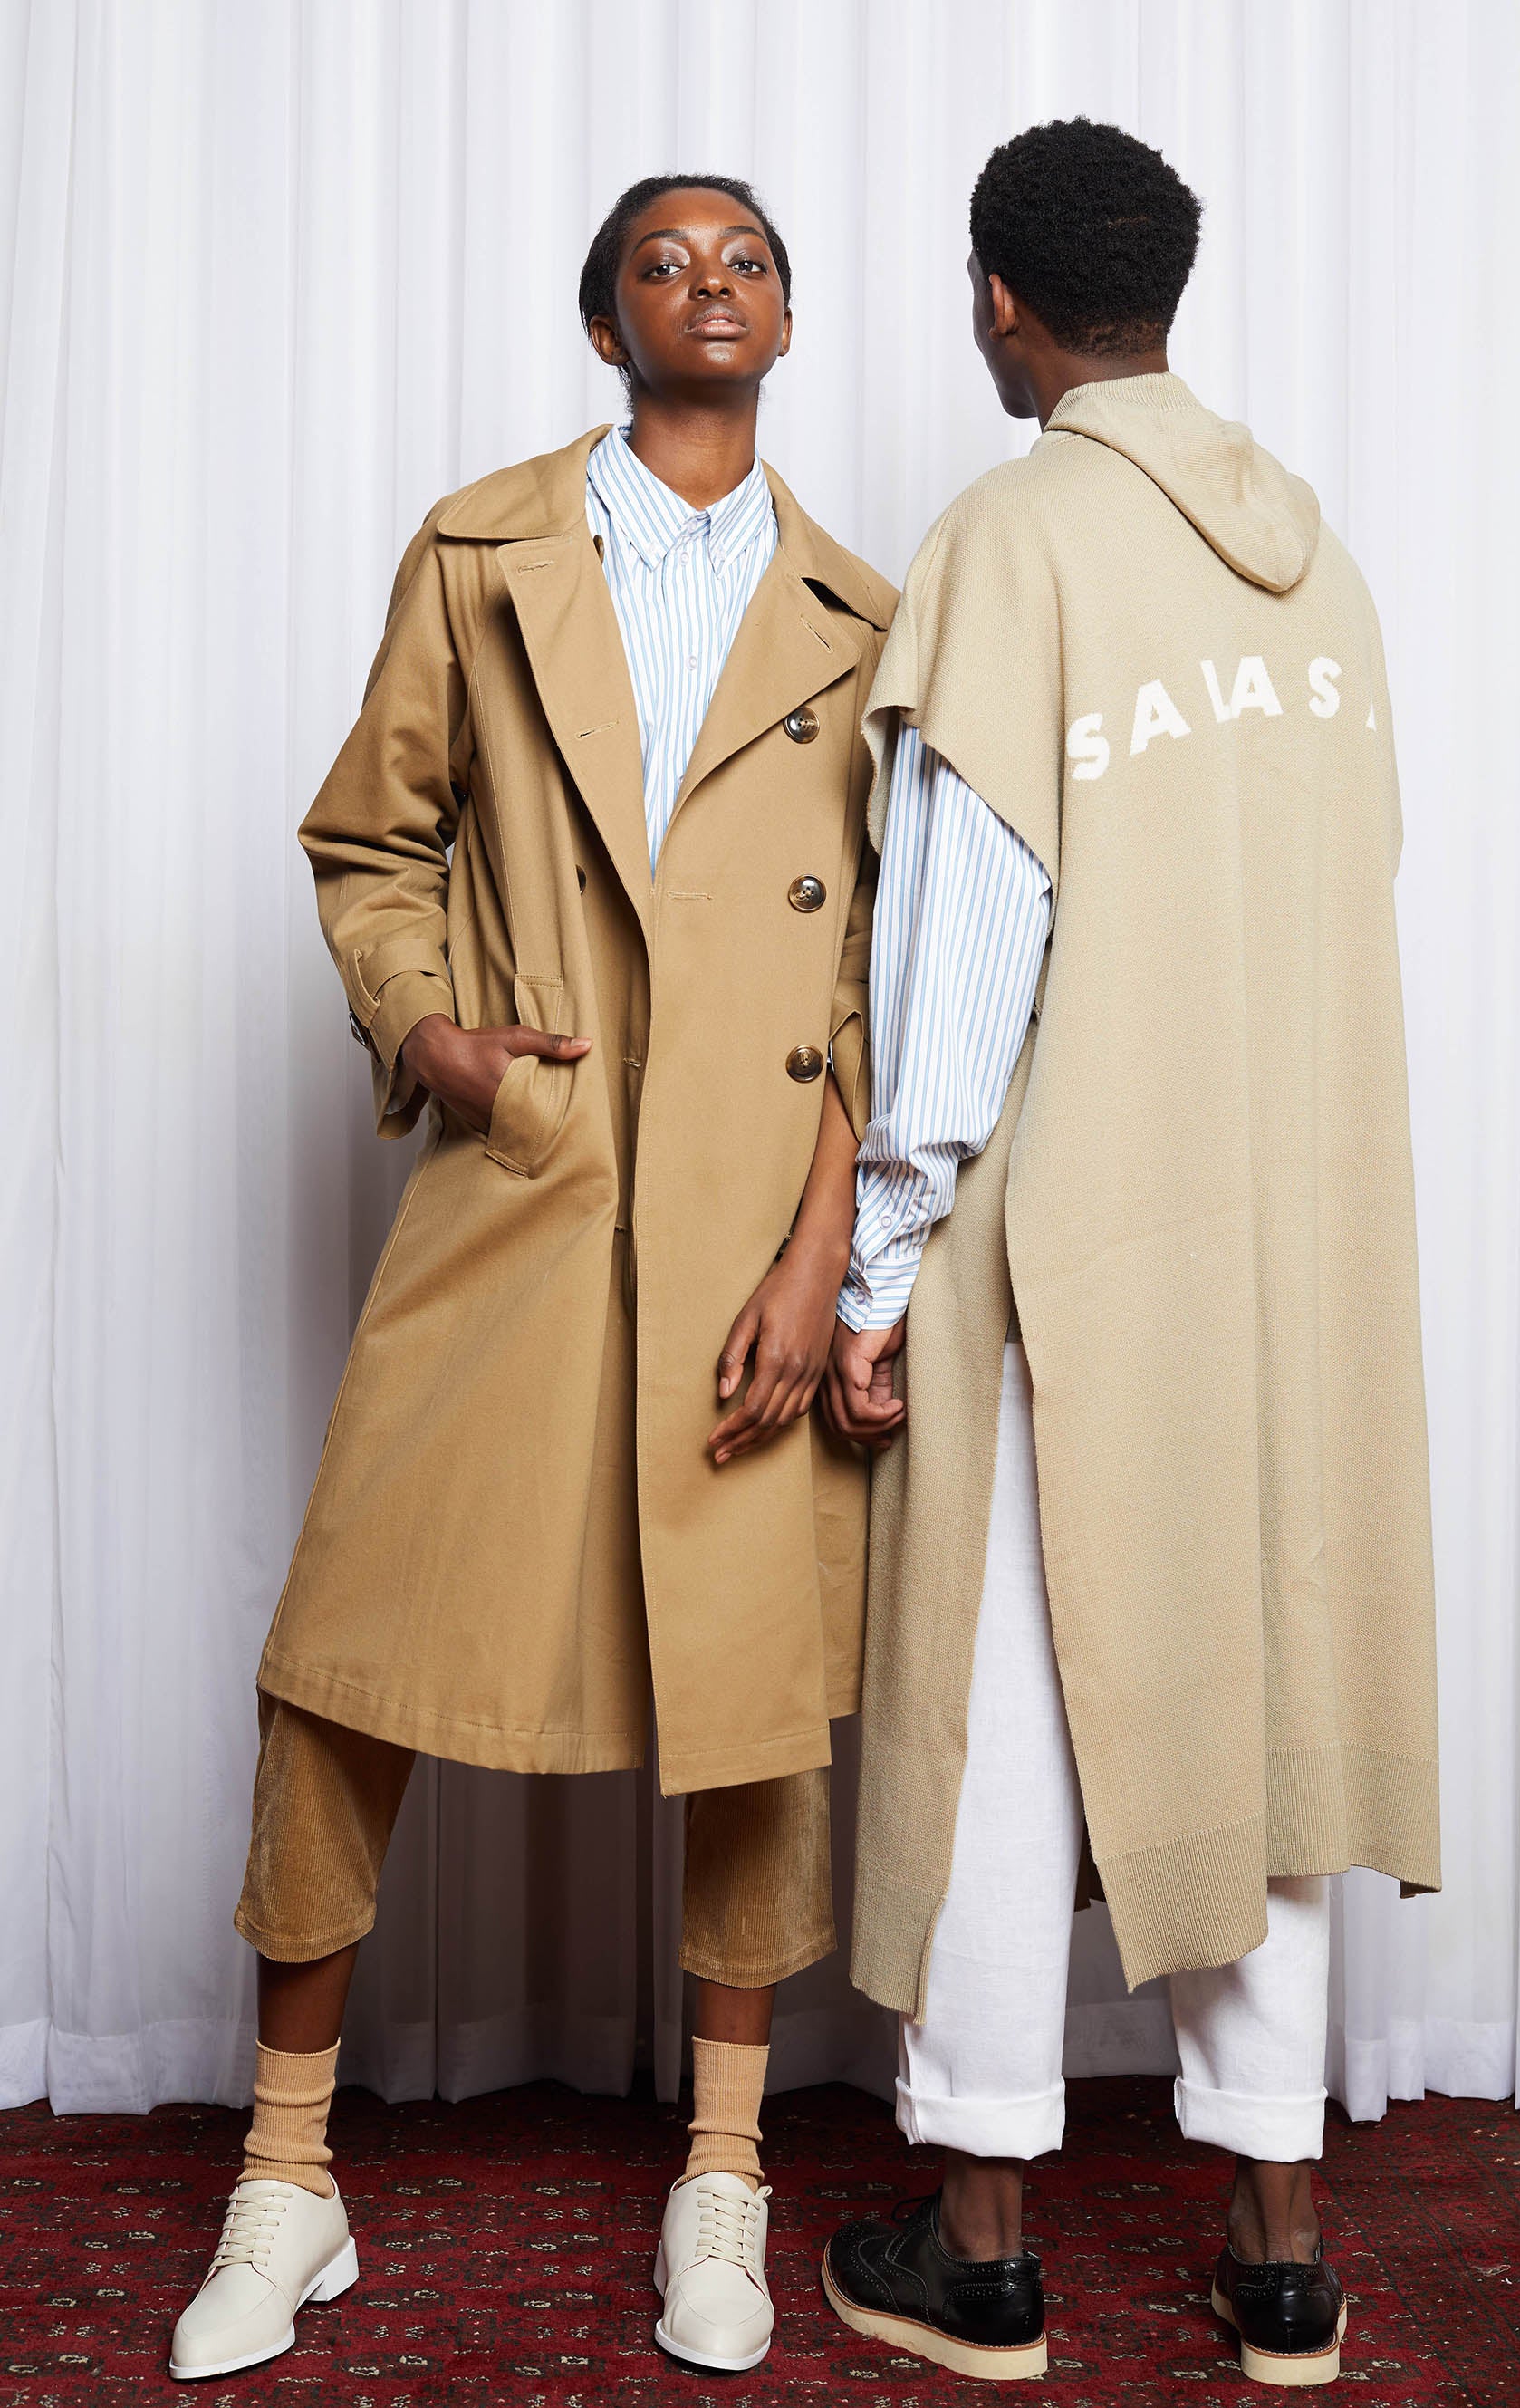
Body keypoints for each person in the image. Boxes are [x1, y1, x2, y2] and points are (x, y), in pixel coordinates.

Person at [168, 172, 895, 2383]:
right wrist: (438, 1043)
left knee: (749, 1700)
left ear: (789, 321)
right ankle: (288, 2175)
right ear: (605, 327)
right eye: (662, 261)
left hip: (751, 1225)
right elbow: (369, 841)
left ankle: (722, 2176)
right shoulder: (481, 554)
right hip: (527, 1183)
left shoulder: (865, 616)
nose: (708, 284)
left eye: (745, 259)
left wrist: (823, 1255)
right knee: (345, 1661)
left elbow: (871, 977)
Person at [820, 118, 1438, 2388]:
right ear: (1163, 292)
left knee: (995, 1701)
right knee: (1255, 1679)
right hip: (1291, 1225)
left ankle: (983, 2237)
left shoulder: (1013, 536)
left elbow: (963, 938)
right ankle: (1279, 2249)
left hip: (1066, 1222)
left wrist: (880, 1260)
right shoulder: (1317, 559)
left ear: (999, 300)